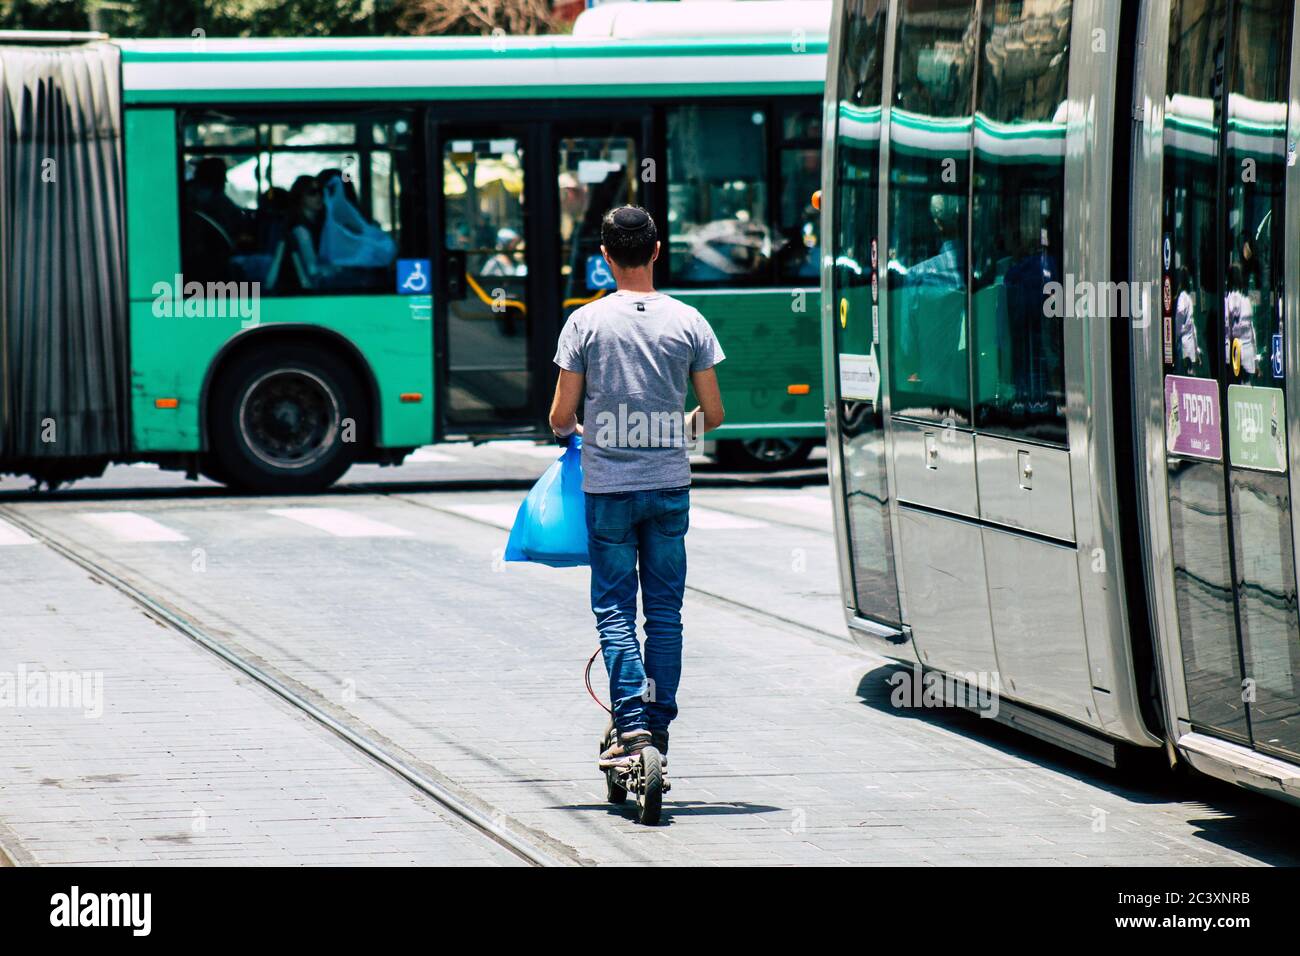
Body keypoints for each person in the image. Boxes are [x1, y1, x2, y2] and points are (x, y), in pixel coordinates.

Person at [549, 205, 726, 770]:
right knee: (666, 614)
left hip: (609, 491)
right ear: (656, 251)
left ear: (605, 258)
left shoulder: (585, 322)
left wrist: (581, 432)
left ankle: (630, 726)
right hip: (670, 487)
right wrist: (674, 429)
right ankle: (659, 722)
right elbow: (715, 414)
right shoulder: (689, 321)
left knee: (615, 612)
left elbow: (560, 415)